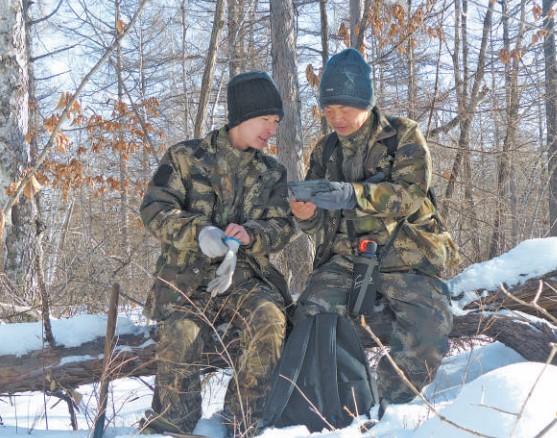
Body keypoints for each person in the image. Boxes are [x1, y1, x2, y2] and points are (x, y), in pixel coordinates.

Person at [290, 48, 459, 418]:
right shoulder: (324, 150)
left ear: (365, 103)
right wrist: (305, 215)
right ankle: (328, 408)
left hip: (405, 258)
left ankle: (380, 408)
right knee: (306, 322)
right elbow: (318, 223)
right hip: (345, 259)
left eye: (345, 110)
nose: (337, 119)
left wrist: (352, 194)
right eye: (328, 111)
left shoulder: (403, 135)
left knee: (428, 332)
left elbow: (411, 194)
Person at [140, 71, 295, 435]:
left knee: (271, 320)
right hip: (186, 279)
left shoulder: (272, 172)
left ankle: (243, 422)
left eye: (275, 122)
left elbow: (283, 224)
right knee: (180, 335)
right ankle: (172, 427)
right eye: (265, 120)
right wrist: (199, 232)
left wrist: (252, 235)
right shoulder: (184, 157)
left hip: (245, 279)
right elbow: (154, 210)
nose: (271, 130)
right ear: (241, 116)